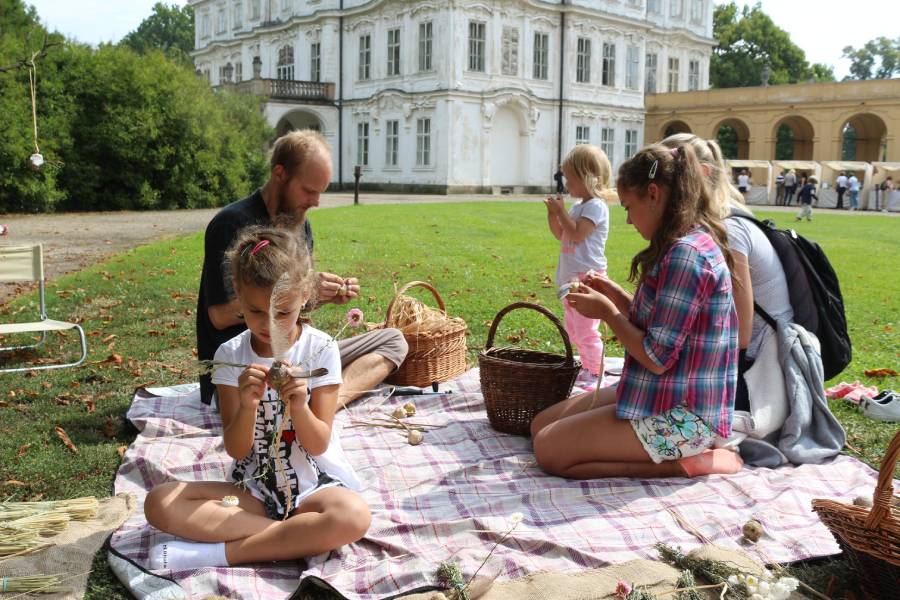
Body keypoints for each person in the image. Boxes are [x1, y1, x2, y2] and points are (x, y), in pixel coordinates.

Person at [145, 226, 370, 570]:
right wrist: (248, 406)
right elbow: (237, 450)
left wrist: (299, 405)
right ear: (237, 293)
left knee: (353, 516)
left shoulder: (321, 348)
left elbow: (318, 444)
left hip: (311, 489)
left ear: (305, 295)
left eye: (283, 313)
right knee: (160, 502)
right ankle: (297, 537)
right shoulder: (230, 355)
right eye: (255, 312)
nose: (270, 326)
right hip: (251, 493)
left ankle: (218, 554)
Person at [531, 144, 741, 479]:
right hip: (659, 392)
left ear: (653, 194)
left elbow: (656, 358)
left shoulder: (686, 256)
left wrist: (608, 314)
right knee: (540, 425)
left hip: (685, 418)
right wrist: (615, 295)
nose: (628, 219)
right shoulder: (681, 243)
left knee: (549, 449)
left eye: (629, 207)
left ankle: (692, 462)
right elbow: (661, 326)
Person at [197, 130, 407, 408]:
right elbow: (219, 316)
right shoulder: (230, 224)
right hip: (244, 371)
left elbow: (290, 306)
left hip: (294, 357)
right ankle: (312, 404)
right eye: (309, 191)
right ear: (280, 173)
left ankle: (325, 405)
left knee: (394, 341)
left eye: (320, 192)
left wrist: (318, 294)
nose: (315, 202)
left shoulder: (300, 224)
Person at [660, 134, 794, 414]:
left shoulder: (727, 232)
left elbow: (740, 335)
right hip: (744, 366)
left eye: (666, 179)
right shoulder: (719, 221)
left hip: (757, 377)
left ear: (702, 173)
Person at [544, 145, 612, 378]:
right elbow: (561, 234)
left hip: (587, 279)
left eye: (570, 178)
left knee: (586, 330)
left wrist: (561, 212)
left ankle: (595, 372)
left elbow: (576, 234)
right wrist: (553, 214)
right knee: (573, 330)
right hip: (571, 279)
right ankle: (587, 365)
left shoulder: (596, 206)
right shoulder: (579, 205)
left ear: (588, 178)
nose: (566, 183)